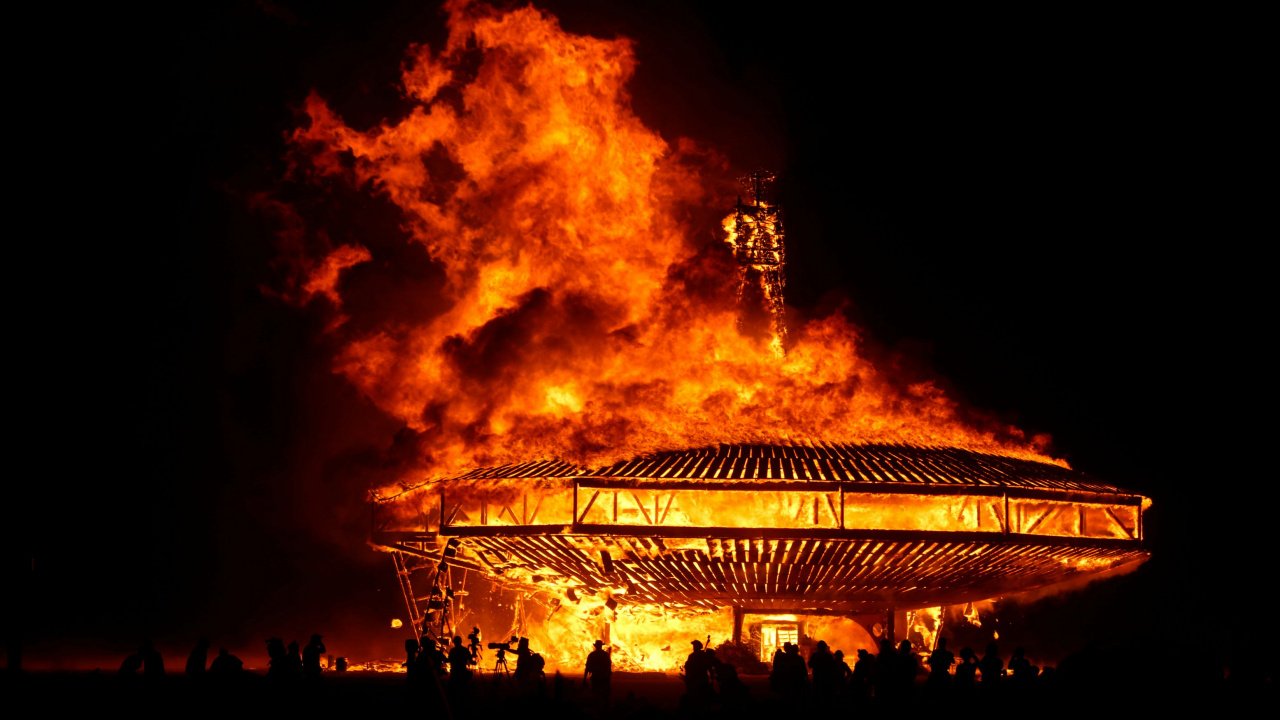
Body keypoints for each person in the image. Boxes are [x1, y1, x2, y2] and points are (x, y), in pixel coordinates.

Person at [584, 639, 612, 707]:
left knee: (596, 693)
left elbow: (587, 667)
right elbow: (609, 665)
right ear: (601, 646)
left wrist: (584, 678)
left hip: (596, 677)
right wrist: (608, 673)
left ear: (595, 646)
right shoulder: (605, 655)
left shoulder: (592, 655)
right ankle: (605, 708)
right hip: (604, 677)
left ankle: (597, 706)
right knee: (605, 694)